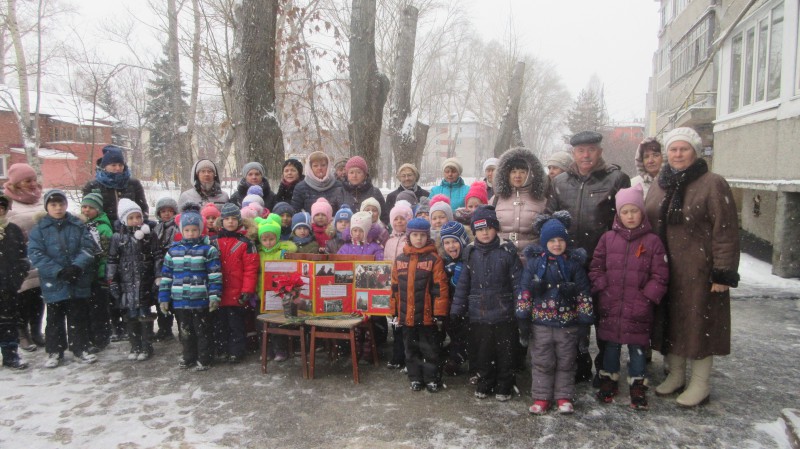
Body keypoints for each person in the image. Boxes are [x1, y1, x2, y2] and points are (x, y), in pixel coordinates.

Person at [644, 127, 740, 408]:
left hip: (700, 271)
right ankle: (676, 374)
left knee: (700, 325)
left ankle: (700, 383)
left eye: (683, 149)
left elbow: (726, 231)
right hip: (666, 269)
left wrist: (723, 272)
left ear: (695, 152)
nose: (677, 154)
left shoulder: (712, 183)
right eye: (673, 149)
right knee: (670, 322)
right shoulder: (661, 184)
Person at [547, 131, 631, 383]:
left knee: (605, 318)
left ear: (600, 152)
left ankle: (606, 368)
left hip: (604, 262)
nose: (586, 155)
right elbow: (551, 217)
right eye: (580, 150)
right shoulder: (560, 182)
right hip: (569, 262)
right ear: (573, 153)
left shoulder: (616, 179)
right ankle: (578, 364)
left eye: (591, 149)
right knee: (572, 318)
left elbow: (625, 221)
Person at [589, 184, 669, 410]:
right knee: (611, 345)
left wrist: (647, 299)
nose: (630, 216)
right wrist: (602, 289)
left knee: (637, 347)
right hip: (611, 303)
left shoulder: (652, 242)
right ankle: (609, 378)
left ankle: (637, 382)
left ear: (642, 212)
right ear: (618, 214)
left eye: (634, 211)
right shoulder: (607, 239)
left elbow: (660, 276)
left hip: (639, 307)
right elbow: (596, 268)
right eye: (625, 212)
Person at [517, 212, 594, 415]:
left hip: (567, 325)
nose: (557, 244)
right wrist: (523, 317)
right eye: (552, 240)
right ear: (544, 242)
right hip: (540, 323)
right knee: (542, 361)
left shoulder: (573, 265)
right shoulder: (534, 264)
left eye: (561, 240)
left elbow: (584, 294)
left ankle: (563, 396)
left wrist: (585, 322)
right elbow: (524, 290)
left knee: (566, 361)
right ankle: (542, 397)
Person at [450, 205, 522, 401]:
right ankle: (486, 381)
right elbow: (463, 284)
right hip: (478, 313)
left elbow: (517, 283)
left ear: (496, 229)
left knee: (505, 353)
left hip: (503, 312)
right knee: (483, 352)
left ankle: (505, 384)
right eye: (480, 229)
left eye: (488, 228)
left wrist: (521, 308)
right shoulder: (470, 253)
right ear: (474, 232)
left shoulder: (507, 251)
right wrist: (456, 309)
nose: (484, 233)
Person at [28, 190, 99, 368]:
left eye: (61, 204)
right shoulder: (39, 229)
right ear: (47, 207)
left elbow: (88, 248)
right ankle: (55, 350)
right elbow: (36, 254)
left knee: (78, 316)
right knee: (54, 318)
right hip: (54, 281)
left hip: (77, 278)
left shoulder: (77, 225)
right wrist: (58, 271)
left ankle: (80, 348)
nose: (58, 208)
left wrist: (76, 266)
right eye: (53, 205)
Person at [159, 203, 222, 371]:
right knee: (185, 332)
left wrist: (214, 296)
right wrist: (164, 299)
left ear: (200, 230)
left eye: (194, 229)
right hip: (180, 301)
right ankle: (188, 357)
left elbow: (214, 275)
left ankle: (204, 358)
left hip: (200, 300)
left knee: (202, 331)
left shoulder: (208, 250)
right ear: (182, 231)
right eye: (187, 230)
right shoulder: (173, 251)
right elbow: (166, 277)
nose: (191, 233)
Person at [390, 218, 449, 392]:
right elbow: (394, 288)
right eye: (415, 235)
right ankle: (415, 377)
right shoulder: (400, 259)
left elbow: (440, 288)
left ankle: (432, 378)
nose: (419, 239)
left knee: (429, 349)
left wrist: (439, 313)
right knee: (411, 349)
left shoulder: (434, 259)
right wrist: (393, 310)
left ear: (428, 237)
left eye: (422, 235)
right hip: (406, 316)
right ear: (409, 237)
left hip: (427, 315)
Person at [107, 199, 157, 361]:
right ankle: (134, 345)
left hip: (144, 282)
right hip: (126, 284)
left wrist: (158, 276)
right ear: (123, 220)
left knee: (144, 314)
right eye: (131, 218)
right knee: (130, 315)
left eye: (138, 217)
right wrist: (112, 280)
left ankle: (146, 345)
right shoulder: (118, 238)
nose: (136, 220)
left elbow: (157, 256)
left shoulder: (149, 236)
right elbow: (112, 260)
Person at [4, 163, 46, 350]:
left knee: (38, 295)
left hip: (41, 253)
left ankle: (36, 331)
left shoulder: (40, 198)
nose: (32, 184)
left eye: (33, 180)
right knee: (22, 295)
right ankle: (22, 333)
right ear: (16, 183)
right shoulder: (8, 200)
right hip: (19, 255)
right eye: (27, 180)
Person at [213, 203, 259, 364]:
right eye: (227, 219)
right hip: (218, 290)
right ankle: (221, 349)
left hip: (237, 292)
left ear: (239, 221)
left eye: (234, 219)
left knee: (236, 325)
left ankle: (237, 351)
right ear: (222, 221)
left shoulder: (246, 243)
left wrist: (247, 290)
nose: (230, 222)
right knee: (220, 323)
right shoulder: (214, 241)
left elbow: (250, 269)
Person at [254, 214, 297, 361]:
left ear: (277, 237)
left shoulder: (282, 252)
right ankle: (266, 350)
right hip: (261, 293)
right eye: (264, 239)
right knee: (262, 325)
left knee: (278, 323)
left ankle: (281, 350)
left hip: (279, 294)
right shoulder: (258, 253)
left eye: (271, 239)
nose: (268, 243)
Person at [493, 147, 548, 252]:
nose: (517, 176)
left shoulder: (541, 200)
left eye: (522, 172)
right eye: (513, 171)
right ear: (507, 174)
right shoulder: (496, 199)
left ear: (530, 174)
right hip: (503, 256)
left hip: (531, 258)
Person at [80, 192, 114, 350]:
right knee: (87, 309)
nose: (86, 210)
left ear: (98, 210)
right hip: (86, 274)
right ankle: (89, 337)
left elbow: (106, 254)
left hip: (100, 274)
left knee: (99, 309)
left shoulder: (103, 228)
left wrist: (103, 273)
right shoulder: (82, 225)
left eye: (91, 207)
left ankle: (101, 338)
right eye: (84, 207)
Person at [0, 194, 30, 369]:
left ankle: (11, 354)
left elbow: (22, 258)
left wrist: (16, 278)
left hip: (8, 284)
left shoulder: (13, 230)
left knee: (8, 320)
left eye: (2, 208)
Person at [81, 145, 148, 224]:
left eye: (120, 165)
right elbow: (87, 211)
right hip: (104, 229)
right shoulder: (92, 186)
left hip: (129, 228)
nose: (118, 168)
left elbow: (143, 208)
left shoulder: (133, 184)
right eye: (113, 165)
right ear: (104, 166)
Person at [439, 221, 471, 377]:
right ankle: (455, 352)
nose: (451, 246)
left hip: (467, 305)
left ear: (462, 241)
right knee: (452, 329)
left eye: (454, 242)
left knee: (463, 332)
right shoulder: (445, 262)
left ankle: (457, 357)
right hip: (450, 304)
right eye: (447, 242)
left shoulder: (468, 259)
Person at [151, 197, 179, 341]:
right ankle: (164, 327)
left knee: (174, 299)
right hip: (159, 266)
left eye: (170, 211)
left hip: (173, 266)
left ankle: (178, 326)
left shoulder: (177, 227)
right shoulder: (156, 228)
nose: (167, 214)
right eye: (163, 211)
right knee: (161, 298)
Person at [341, 156, 388, 224]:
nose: (354, 175)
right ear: (347, 175)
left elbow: (384, 217)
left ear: (365, 175)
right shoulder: (340, 192)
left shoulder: (375, 192)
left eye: (358, 172)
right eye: (351, 172)